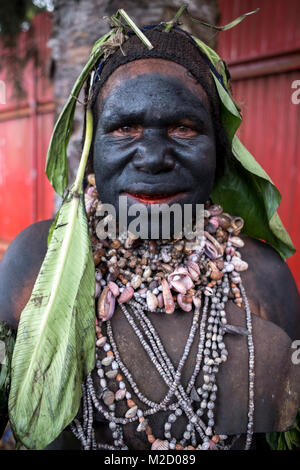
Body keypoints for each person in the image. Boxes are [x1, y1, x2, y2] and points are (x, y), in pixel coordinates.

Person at [0, 24, 299, 451]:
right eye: (125, 128)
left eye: (183, 128)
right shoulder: (34, 265)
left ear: (220, 150)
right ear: (91, 148)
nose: (154, 158)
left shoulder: (265, 281)